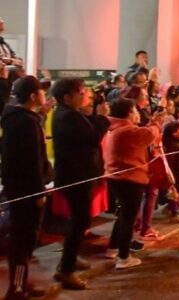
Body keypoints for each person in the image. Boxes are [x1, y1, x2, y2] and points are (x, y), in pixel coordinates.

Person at [51, 78, 111, 290]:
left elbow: (87, 132)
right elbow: (91, 139)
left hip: (79, 174)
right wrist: (102, 117)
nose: (85, 96)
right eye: (81, 93)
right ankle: (66, 270)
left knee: (79, 219)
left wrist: (94, 114)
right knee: (79, 220)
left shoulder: (71, 114)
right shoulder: (67, 117)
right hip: (75, 176)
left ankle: (70, 258)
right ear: (67, 97)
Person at [1, 76, 53, 299]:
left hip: (19, 187)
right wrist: (38, 191)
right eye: (41, 92)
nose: (44, 95)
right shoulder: (25, 122)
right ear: (33, 96)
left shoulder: (16, 118)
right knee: (23, 238)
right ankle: (17, 288)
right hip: (26, 190)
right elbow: (31, 160)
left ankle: (22, 282)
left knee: (25, 237)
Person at [102, 98, 159, 270]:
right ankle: (124, 257)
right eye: (135, 110)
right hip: (129, 178)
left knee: (123, 215)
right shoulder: (126, 131)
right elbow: (151, 134)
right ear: (128, 113)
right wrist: (157, 122)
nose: (137, 114)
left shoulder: (113, 129)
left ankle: (113, 248)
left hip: (116, 177)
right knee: (129, 218)